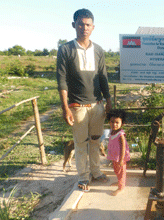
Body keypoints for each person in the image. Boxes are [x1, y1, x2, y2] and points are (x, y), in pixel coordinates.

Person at [56, 8, 112, 191]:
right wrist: (65, 108)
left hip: (97, 106)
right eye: (80, 24)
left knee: (96, 141)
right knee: (80, 144)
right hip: (77, 107)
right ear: (74, 25)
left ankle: (96, 172)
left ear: (93, 27)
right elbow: (62, 80)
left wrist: (109, 100)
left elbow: (103, 76)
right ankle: (83, 176)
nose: (84, 27)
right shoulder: (65, 50)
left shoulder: (98, 50)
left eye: (88, 24)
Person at [106, 109, 130, 196]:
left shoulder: (121, 135)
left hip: (120, 158)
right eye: (112, 122)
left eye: (117, 122)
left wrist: (121, 159)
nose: (114, 124)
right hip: (115, 157)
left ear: (122, 124)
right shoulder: (112, 132)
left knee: (121, 172)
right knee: (116, 171)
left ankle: (121, 187)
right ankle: (119, 182)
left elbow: (123, 148)